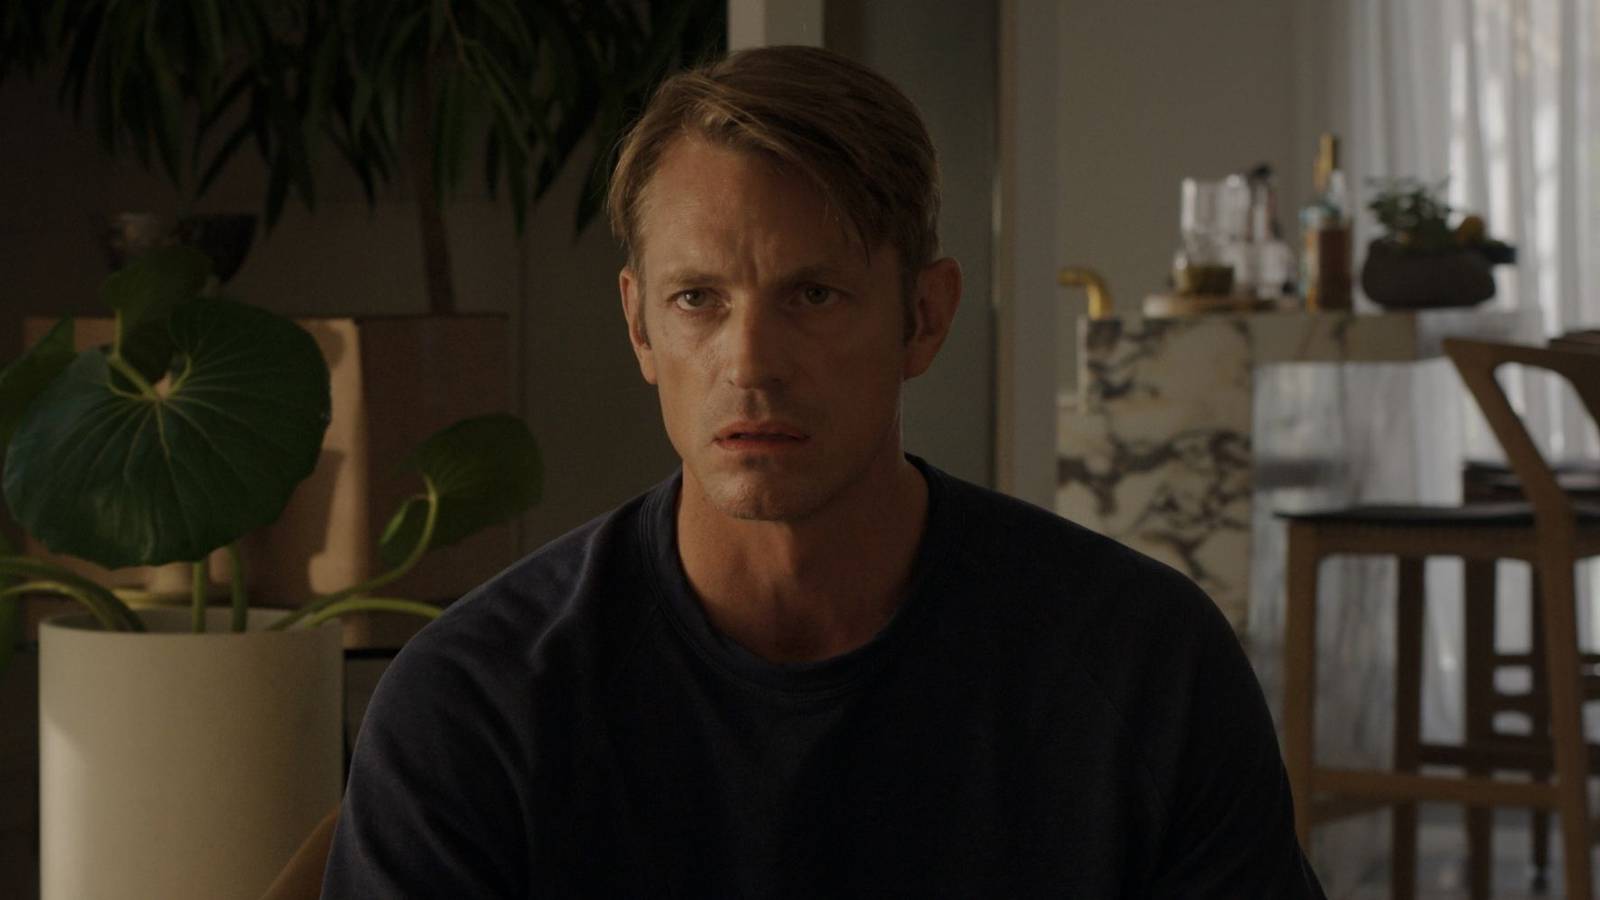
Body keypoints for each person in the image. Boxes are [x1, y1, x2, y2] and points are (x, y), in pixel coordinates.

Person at [323, 45, 1325, 897]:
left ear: (923, 318)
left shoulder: (1142, 667)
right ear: (638, 325)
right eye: (697, 299)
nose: (750, 362)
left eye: (812, 295)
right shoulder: (478, 705)